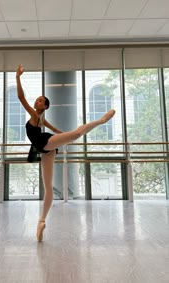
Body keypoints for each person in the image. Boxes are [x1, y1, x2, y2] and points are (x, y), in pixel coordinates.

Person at [16, 64, 116, 242]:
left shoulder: (37, 116)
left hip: (45, 144)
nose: (36, 102)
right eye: (37, 99)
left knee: (77, 133)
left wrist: (18, 78)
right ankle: (41, 221)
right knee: (48, 189)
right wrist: (64, 137)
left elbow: (22, 98)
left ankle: (101, 120)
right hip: (44, 148)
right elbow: (24, 100)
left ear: (45, 106)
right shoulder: (37, 116)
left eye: (40, 100)